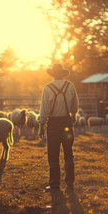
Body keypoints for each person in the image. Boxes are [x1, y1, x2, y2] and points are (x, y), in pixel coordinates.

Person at [38, 63, 79, 192]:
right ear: (62, 74)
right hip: (66, 122)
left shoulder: (48, 88)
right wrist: (73, 116)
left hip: (53, 124)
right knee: (68, 153)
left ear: (52, 75)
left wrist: (41, 125)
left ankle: (55, 184)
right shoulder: (70, 86)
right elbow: (75, 104)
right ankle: (70, 182)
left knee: (53, 155)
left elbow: (44, 109)